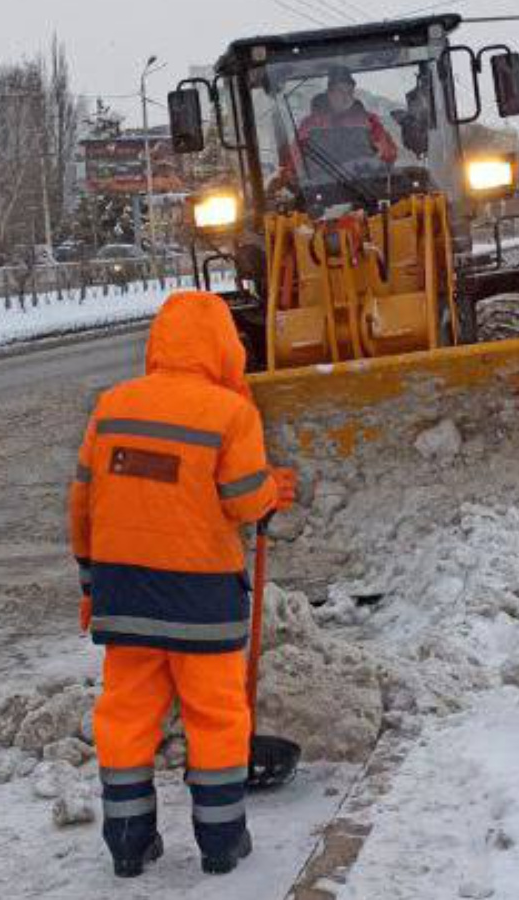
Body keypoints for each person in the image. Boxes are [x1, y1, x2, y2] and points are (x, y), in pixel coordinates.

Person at [68, 290, 296, 878]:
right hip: (202, 599)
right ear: (225, 348)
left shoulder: (112, 407)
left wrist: (92, 585)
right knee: (216, 717)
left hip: (125, 597)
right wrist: (273, 488)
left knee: (125, 716)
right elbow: (245, 501)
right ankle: (221, 844)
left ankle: (127, 842)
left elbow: (83, 504)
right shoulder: (230, 413)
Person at [273, 64, 399, 191]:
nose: (346, 97)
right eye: (340, 91)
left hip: (365, 188)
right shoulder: (310, 125)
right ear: (329, 93)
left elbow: (388, 154)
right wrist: (287, 175)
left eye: (350, 92)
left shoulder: (369, 121)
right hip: (323, 189)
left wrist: (376, 162)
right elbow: (295, 160)